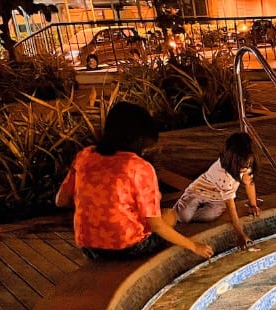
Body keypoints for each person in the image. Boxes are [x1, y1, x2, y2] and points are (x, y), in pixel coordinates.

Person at [56, 101, 214, 261]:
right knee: (169, 215)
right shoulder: (138, 167)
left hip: (89, 247)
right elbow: (156, 225)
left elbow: (60, 201)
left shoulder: (85, 156)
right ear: (138, 139)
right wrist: (194, 246)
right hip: (129, 247)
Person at [172, 132, 261, 250]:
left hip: (218, 197)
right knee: (184, 216)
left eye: (248, 164)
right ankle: (181, 209)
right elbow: (231, 206)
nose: (245, 167)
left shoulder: (246, 162)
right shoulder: (222, 173)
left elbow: (249, 183)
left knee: (210, 216)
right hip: (198, 191)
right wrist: (240, 234)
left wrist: (253, 205)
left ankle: (193, 211)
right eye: (242, 165)